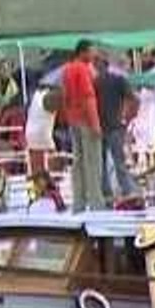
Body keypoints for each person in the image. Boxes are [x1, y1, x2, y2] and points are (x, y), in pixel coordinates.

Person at [61, 40, 104, 212]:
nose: (94, 55)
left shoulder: (66, 69)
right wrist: (95, 124)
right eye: (92, 52)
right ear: (83, 52)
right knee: (92, 162)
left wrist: (68, 118)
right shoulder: (83, 69)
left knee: (78, 163)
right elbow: (88, 97)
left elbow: (65, 96)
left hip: (73, 120)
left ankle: (78, 202)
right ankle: (96, 203)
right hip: (86, 120)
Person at [95, 56, 139, 204]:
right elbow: (133, 99)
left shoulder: (103, 82)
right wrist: (127, 118)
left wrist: (126, 118)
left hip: (109, 127)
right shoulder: (100, 82)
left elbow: (133, 99)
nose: (95, 66)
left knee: (113, 162)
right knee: (111, 162)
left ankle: (122, 192)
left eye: (97, 63)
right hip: (106, 127)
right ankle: (119, 192)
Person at [25, 84, 61, 175]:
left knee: (35, 170)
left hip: (30, 134)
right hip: (43, 136)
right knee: (51, 169)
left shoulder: (36, 95)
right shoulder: (52, 98)